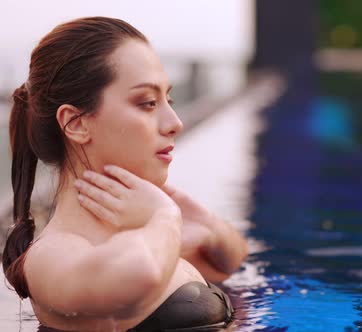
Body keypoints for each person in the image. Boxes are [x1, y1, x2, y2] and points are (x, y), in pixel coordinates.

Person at [2, 16, 248, 331]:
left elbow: (232, 259)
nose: (175, 122)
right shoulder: (52, 258)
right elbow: (141, 275)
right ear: (76, 124)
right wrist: (165, 217)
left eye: (168, 100)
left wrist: (209, 228)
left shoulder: (144, 233)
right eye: (147, 103)